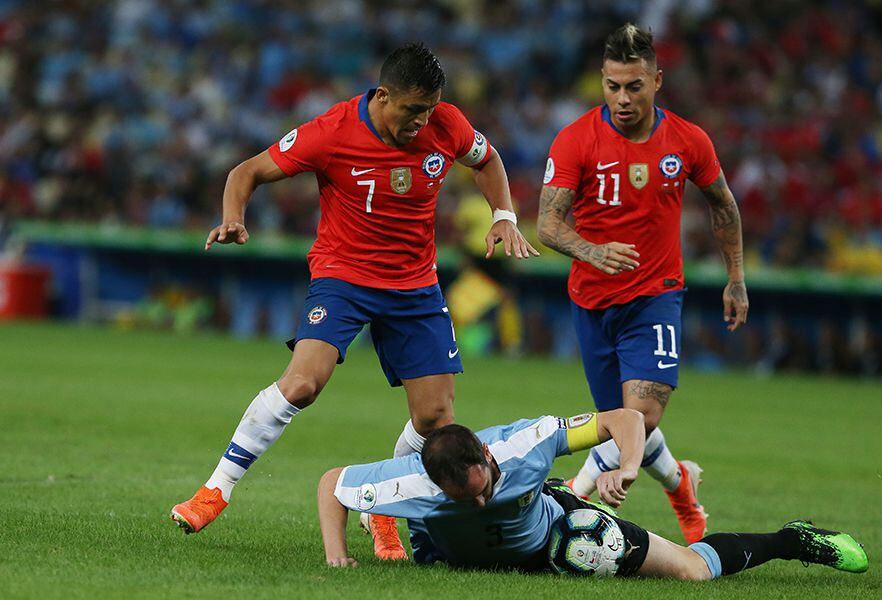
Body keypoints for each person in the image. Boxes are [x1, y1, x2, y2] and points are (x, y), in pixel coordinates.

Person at [170, 42, 539, 561]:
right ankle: (216, 489)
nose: (421, 122)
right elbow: (245, 172)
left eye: (429, 110)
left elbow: (488, 159)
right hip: (345, 276)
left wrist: (505, 214)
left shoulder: (447, 124)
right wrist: (235, 215)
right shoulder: (332, 131)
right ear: (384, 96)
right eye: (412, 110)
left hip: (414, 285)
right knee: (302, 383)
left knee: (435, 418)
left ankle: (380, 506)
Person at [536, 23, 749, 544]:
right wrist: (591, 250)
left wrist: (736, 279)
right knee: (622, 426)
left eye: (634, 86)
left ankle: (575, 492)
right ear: (601, 82)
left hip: (654, 296)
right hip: (591, 303)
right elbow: (546, 224)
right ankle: (681, 486)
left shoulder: (688, 140)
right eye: (612, 86)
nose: (622, 98)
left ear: (658, 80)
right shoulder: (576, 139)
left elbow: (723, 204)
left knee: (642, 415)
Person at [317, 416, 868, 578]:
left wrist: (626, 467)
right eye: (465, 500)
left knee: (690, 572)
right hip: (461, 556)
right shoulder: (413, 480)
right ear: (438, 486)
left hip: (554, 533)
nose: (480, 501)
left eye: (485, 491)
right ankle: (379, 525)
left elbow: (627, 418)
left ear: (487, 458)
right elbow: (331, 483)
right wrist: (334, 554)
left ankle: (793, 539)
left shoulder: (524, 444)